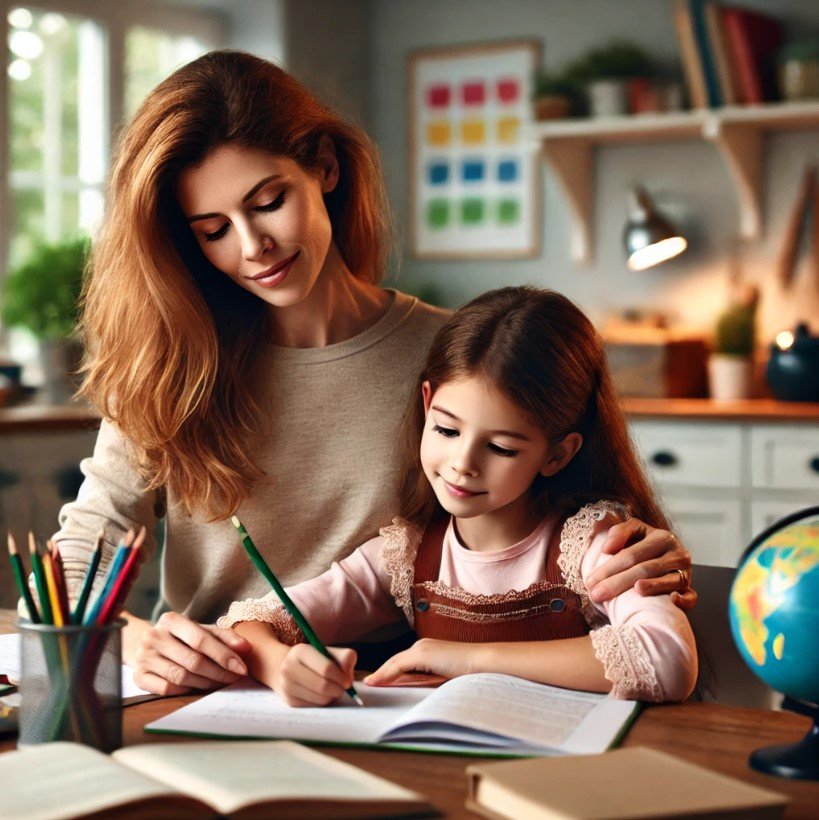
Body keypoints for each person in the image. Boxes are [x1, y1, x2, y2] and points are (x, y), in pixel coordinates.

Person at [53, 50, 695, 696]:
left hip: (389, 697)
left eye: (269, 201)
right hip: (206, 695)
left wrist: (642, 555)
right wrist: (134, 639)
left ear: (325, 167)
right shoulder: (168, 368)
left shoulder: (456, 355)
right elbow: (77, 560)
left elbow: (562, 517)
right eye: (214, 229)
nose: (253, 248)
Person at [219, 287, 698, 706]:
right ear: (427, 404)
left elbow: (669, 661)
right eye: (447, 429)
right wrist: (280, 665)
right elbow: (252, 623)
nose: (463, 463)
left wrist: (465, 659)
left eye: (501, 447)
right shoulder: (406, 555)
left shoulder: (592, 544)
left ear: (557, 454)